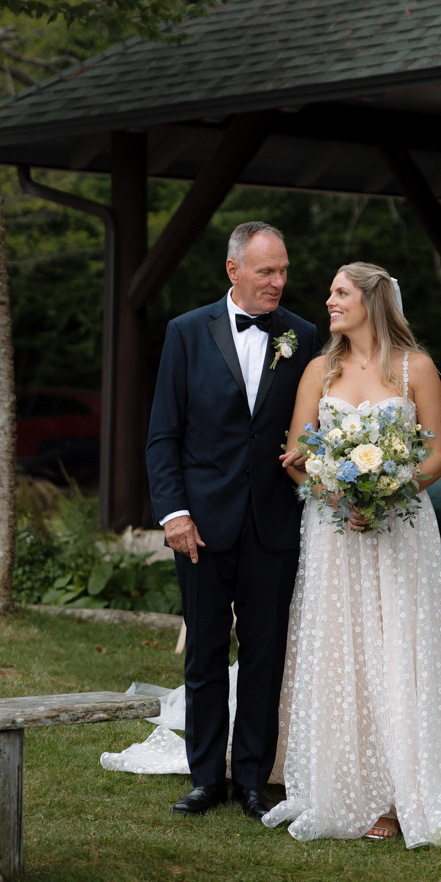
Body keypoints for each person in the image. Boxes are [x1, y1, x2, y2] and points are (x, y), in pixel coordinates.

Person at [262, 261, 441, 845]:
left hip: (401, 530)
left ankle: (401, 796)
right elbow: (296, 454)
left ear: (372, 299)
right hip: (334, 533)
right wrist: (338, 496)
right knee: (343, 650)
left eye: (340, 292)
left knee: (400, 650)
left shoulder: (415, 368)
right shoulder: (319, 369)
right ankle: (343, 788)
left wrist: (390, 491)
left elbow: (438, 454)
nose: (329, 300)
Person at [145, 221, 320, 820]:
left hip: (273, 522)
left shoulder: (303, 335)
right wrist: (174, 513)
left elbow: (313, 427)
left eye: (283, 271)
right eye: (266, 271)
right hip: (200, 525)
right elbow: (163, 435)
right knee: (205, 654)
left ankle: (251, 777)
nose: (277, 282)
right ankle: (204, 777)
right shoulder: (186, 333)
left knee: (266, 654)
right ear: (233, 270)